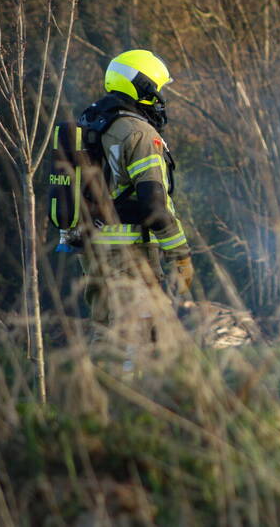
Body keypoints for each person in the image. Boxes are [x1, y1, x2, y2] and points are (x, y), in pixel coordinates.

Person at [77, 50, 193, 362]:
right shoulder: (139, 133)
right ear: (141, 86)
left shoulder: (93, 123)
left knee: (105, 334)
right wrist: (180, 253)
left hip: (94, 250)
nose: (159, 98)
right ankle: (130, 404)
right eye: (157, 89)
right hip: (131, 254)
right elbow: (153, 204)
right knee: (141, 338)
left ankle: (94, 406)